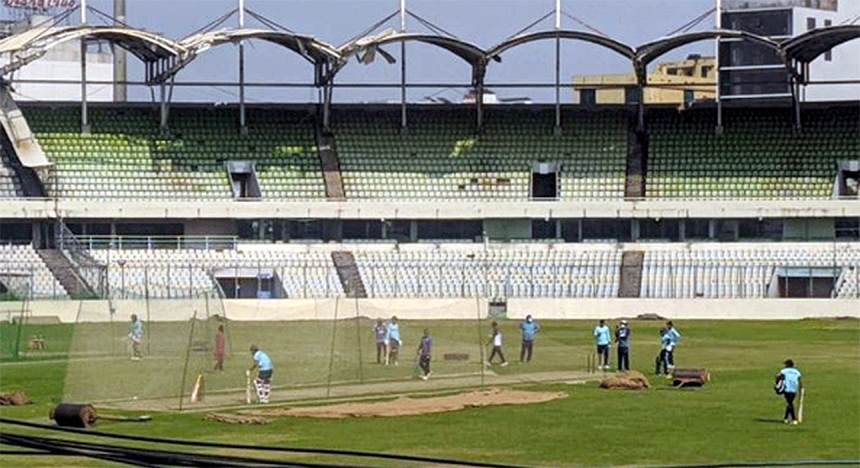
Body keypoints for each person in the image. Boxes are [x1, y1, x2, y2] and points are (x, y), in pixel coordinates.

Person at [777, 359, 802, 425]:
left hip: (786, 389)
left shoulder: (784, 371)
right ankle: (786, 418)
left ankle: (793, 419)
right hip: (794, 389)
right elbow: (799, 379)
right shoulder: (796, 372)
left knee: (789, 403)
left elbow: (778, 377)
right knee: (790, 402)